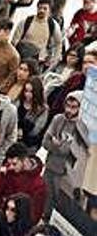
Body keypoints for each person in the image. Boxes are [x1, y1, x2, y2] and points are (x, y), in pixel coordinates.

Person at [42, 91, 88, 219]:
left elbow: (74, 153)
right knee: (45, 201)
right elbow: (45, 142)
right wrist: (60, 146)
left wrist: (58, 145)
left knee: (61, 207)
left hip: (66, 175)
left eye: (73, 107)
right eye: (67, 105)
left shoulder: (83, 128)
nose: (69, 110)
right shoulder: (58, 119)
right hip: (50, 167)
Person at [0, 143, 46, 219]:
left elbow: (34, 215)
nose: (11, 167)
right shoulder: (7, 169)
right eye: (9, 163)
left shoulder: (39, 186)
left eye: (14, 164)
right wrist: (0, 176)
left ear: (25, 160)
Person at [11, 0, 63, 70]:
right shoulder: (26, 21)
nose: (41, 10)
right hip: (21, 57)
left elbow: (58, 44)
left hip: (38, 62)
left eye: (45, 9)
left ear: (50, 11)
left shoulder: (53, 26)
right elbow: (15, 40)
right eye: (40, 8)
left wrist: (52, 61)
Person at [15, 78, 50, 148]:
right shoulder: (19, 102)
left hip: (28, 144)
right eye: (26, 91)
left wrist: (22, 131)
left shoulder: (42, 109)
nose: (27, 94)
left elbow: (36, 130)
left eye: (31, 92)